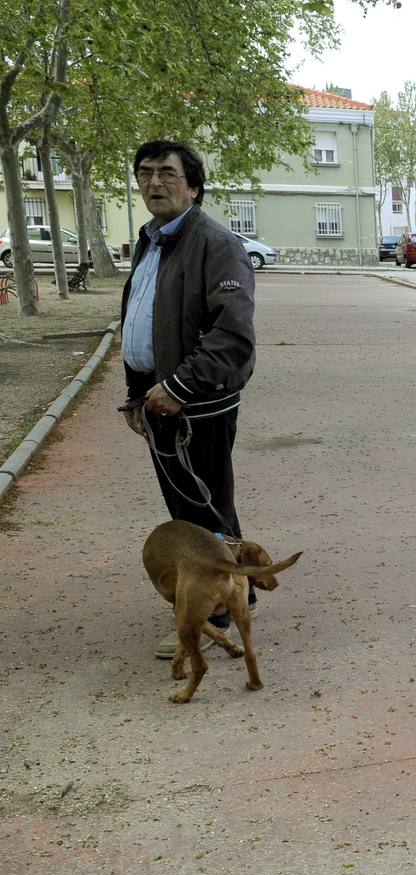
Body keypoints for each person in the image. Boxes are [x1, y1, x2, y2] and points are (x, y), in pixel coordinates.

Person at [120, 139, 258, 659]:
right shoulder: (153, 241)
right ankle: (224, 598)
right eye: (145, 173)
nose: (154, 182)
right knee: (186, 511)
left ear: (194, 186)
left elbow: (232, 336)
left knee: (205, 510)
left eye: (168, 173)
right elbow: (146, 322)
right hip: (159, 402)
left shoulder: (216, 244)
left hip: (197, 405)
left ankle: (219, 609)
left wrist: (177, 388)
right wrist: (138, 394)